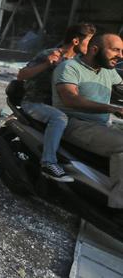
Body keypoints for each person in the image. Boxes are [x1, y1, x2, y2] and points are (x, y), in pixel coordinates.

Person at [53, 33, 123, 212]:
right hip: (74, 123)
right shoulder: (70, 68)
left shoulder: (108, 70)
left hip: (101, 125)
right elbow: (70, 99)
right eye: (116, 50)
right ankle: (118, 208)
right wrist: (111, 108)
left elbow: (121, 89)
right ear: (94, 49)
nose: (121, 56)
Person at [16, 24, 95, 181]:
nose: (92, 47)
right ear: (76, 41)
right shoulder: (50, 54)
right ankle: (48, 163)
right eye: (89, 42)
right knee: (59, 118)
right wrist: (46, 64)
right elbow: (21, 75)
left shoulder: (79, 62)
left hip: (59, 105)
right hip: (35, 102)